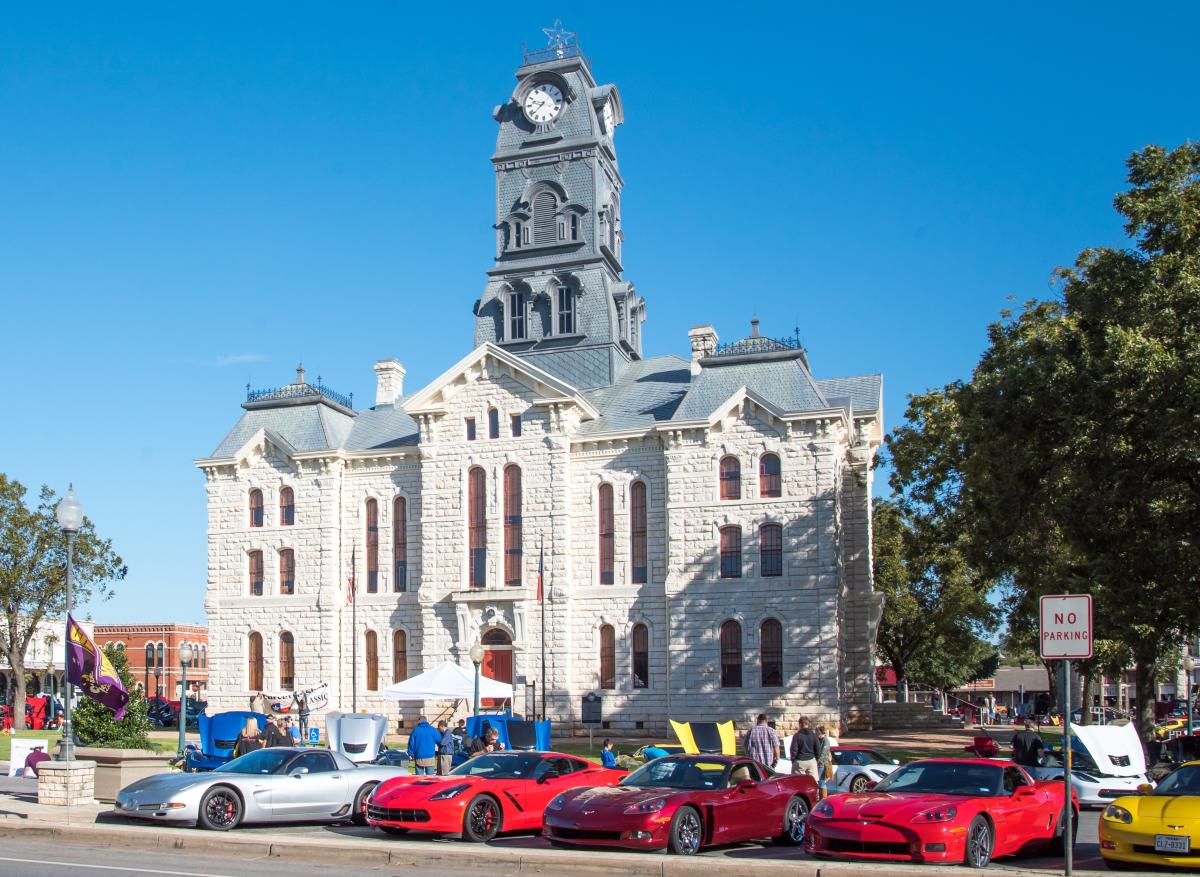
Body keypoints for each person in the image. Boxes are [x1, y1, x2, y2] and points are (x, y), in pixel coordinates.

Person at [789, 716, 819, 781]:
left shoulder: (797, 736)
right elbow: (818, 749)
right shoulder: (813, 735)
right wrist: (816, 758)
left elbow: (793, 750)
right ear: (808, 724)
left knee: (799, 782)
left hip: (800, 761)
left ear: (800, 724)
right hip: (811, 760)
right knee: (813, 782)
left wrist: (793, 760)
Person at [815, 724, 834, 799]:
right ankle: (821, 798)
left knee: (821, 782)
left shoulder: (825, 741)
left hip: (822, 765)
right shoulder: (819, 740)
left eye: (816, 732)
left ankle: (823, 799)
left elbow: (822, 753)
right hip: (819, 764)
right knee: (820, 782)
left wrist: (816, 760)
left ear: (820, 732)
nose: (815, 733)